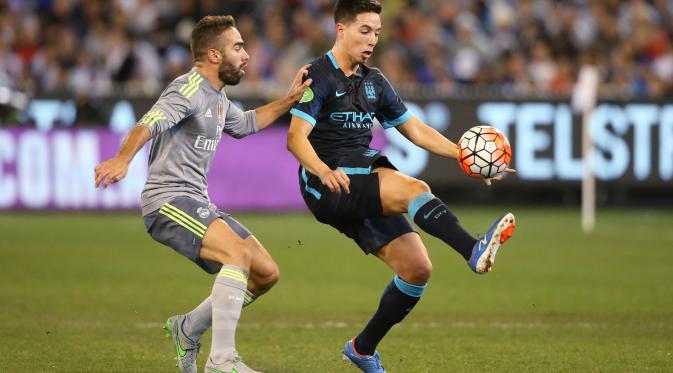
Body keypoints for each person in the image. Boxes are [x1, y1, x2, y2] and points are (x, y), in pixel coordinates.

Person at [286, 1, 516, 372]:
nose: (372, 39)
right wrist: (321, 170)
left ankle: (362, 349)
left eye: (376, 32)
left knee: (416, 268)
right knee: (413, 187)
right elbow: (296, 139)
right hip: (324, 180)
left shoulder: (374, 81)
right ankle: (473, 250)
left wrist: (463, 155)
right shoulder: (318, 75)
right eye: (364, 30)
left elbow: (415, 130)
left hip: (356, 176)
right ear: (341, 30)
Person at [94, 15, 311, 373]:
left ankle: (188, 327)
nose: (246, 55)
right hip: (167, 201)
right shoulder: (188, 90)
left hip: (196, 200)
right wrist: (122, 159)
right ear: (213, 54)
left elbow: (244, 126)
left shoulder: (219, 98)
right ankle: (222, 360)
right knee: (238, 253)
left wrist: (290, 99)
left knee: (266, 273)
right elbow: (147, 123)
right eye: (238, 47)